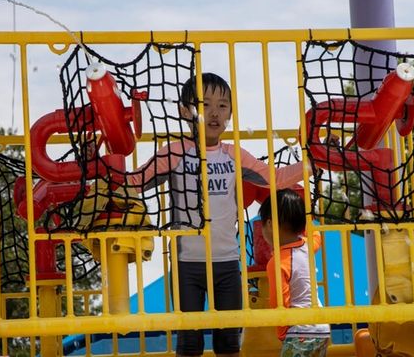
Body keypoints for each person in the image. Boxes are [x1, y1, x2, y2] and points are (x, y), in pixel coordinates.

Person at [128, 73, 308, 357]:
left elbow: (275, 178)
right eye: (204, 104)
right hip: (187, 264)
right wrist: (102, 173)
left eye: (222, 106)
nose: (214, 112)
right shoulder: (174, 153)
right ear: (185, 111)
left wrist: (312, 163)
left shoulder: (234, 154)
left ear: (230, 114)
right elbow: (136, 182)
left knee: (228, 343)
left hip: (226, 263)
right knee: (189, 344)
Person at [259, 189, 330, 357]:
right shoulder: (307, 245)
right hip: (321, 326)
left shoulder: (277, 262)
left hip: (299, 331)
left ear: (269, 224)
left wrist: (283, 332)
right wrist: (305, 212)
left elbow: (279, 302)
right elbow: (316, 234)